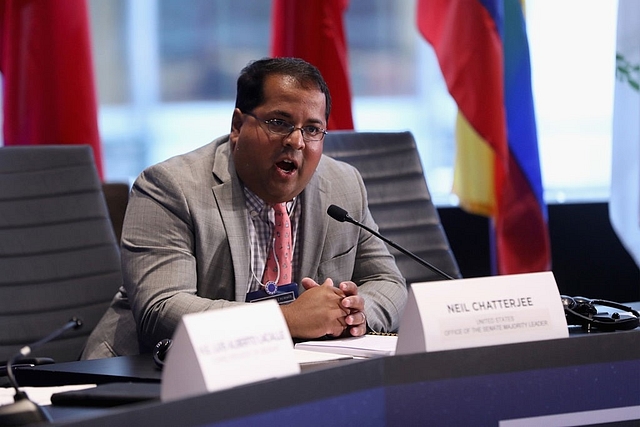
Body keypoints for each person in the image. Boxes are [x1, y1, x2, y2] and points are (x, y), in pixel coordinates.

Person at [82, 57, 407, 359]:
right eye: (280, 122)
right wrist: (286, 319)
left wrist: (354, 311)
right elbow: (163, 310)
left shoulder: (343, 184)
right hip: (151, 374)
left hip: (290, 370)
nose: (296, 142)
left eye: (312, 129)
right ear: (238, 126)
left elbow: (388, 283)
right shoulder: (169, 187)